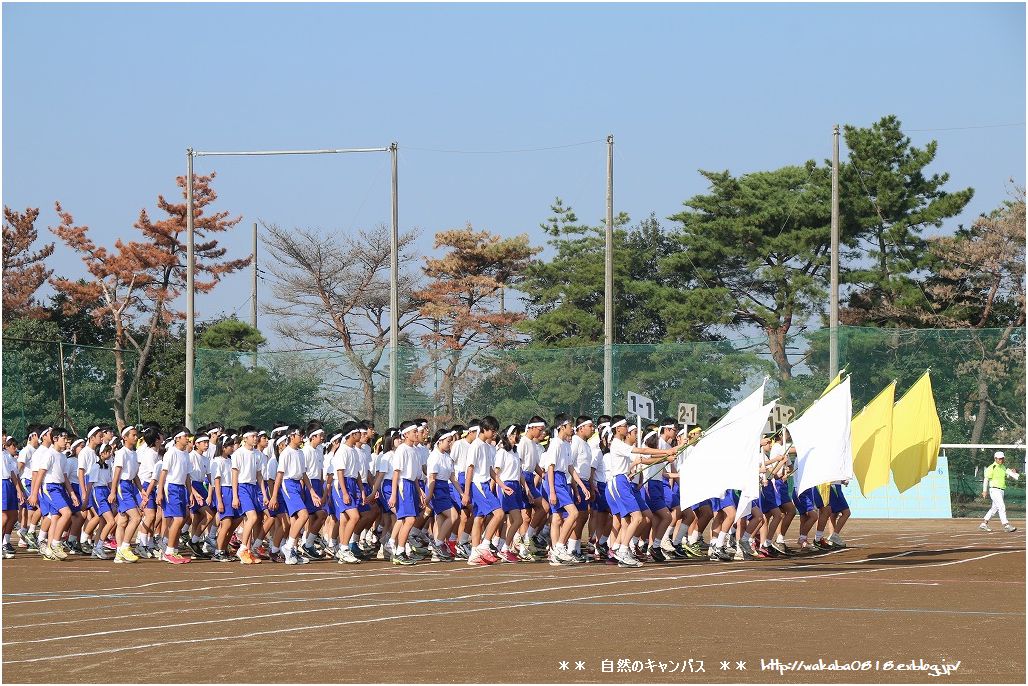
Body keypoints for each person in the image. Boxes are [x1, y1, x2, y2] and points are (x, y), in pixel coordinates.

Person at [980, 451, 1018, 533]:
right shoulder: (991, 467)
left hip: (1001, 490)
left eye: (1002, 458)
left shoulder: (1003, 467)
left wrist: (1013, 472)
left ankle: (984, 523)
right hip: (994, 490)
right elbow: (986, 479)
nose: (1001, 460)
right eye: (999, 458)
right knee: (1001, 506)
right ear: (995, 459)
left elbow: (1009, 474)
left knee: (994, 508)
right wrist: (984, 491)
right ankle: (1006, 525)